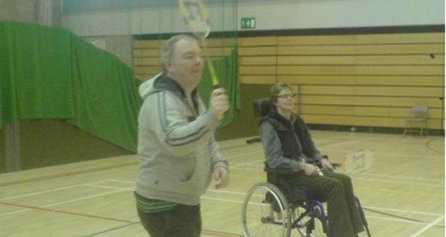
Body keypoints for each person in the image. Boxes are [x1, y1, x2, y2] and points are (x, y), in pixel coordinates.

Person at [134, 34, 230, 237]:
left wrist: (218, 163)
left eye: (199, 55)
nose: (197, 61)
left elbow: (207, 137)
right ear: (169, 64)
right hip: (163, 202)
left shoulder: (192, 97)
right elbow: (175, 141)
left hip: (185, 199)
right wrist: (211, 117)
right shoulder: (161, 99)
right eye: (189, 56)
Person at [259, 82, 364, 237]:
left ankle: (352, 232)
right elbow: (274, 160)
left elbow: (310, 149)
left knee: (345, 180)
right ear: (275, 102)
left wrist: (320, 159)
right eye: (284, 96)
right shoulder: (269, 125)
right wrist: (301, 166)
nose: (289, 99)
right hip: (288, 176)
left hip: (306, 171)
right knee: (334, 186)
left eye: (291, 95)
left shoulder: (297, 121)